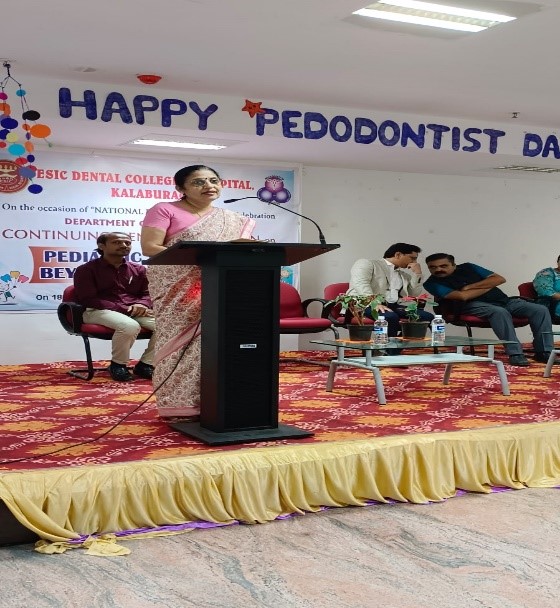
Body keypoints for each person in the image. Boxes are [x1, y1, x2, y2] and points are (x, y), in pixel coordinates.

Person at [140, 165, 256, 420]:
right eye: (198, 182)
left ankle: (215, 401)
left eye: (214, 180)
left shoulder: (231, 219)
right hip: (178, 290)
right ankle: (178, 405)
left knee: (219, 344)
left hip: (219, 286)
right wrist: (209, 253)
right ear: (180, 188)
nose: (209, 186)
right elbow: (150, 247)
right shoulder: (164, 209)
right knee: (178, 344)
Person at [424, 253, 555, 367]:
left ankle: (544, 352)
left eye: (443, 266)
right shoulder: (431, 283)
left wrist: (469, 287)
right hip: (471, 305)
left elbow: (500, 279)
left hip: (504, 301)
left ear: (453, 265)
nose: (438, 270)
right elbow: (463, 296)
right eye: (433, 267)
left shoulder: (469, 267)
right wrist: (489, 285)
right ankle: (515, 353)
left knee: (539, 309)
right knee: (499, 312)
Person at [73, 232, 156, 381]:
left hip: (134, 310)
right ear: (101, 246)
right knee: (129, 326)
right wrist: (125, 309)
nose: (124, 245)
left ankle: (145, 364)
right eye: (117, 242)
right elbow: (89, 299)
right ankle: (118, 365)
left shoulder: (139, 270)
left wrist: (142, 304)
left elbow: (147, 293)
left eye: (127, 243)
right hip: (97, 311)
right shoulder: (86, 270)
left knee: (168, 326)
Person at [347, 242, 434, 338]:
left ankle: (402, 343)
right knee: (390, 317)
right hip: (364, 305)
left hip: (392, 306)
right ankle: (389, 347)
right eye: (412, 258)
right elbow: (361, 284)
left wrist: (417, 274)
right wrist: (374, 303)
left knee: (427, 317)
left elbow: (413, 294)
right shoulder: (367, 263)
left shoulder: (403, 275)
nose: (415, 262)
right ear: (398, 255)